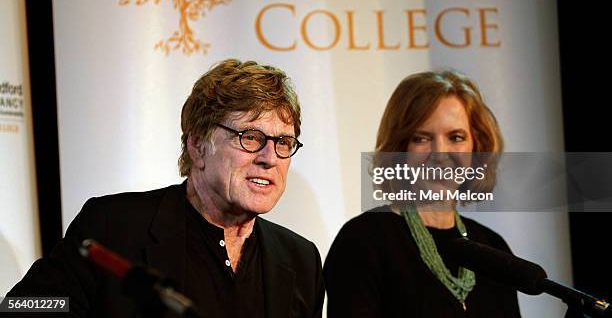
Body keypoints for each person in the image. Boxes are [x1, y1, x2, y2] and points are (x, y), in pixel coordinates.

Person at [9, 59, 324, 317]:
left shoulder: (300, 259)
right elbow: (24, 307)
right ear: (198, 146)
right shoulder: (113, 227)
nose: (269, 158)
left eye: (283, 142)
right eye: (251, 138)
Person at [324, 70, 521, 317]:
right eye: (421, 138)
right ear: (400, 148)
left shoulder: (494, 248)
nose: (440, 153)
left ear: (476, 147)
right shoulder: (363, 241)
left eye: (456, 137)